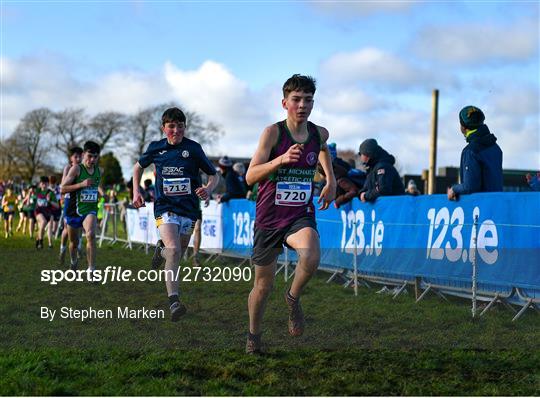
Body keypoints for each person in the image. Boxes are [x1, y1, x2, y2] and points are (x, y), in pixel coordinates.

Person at [245, 74, 336, 354]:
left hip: (299, 213)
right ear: (285, 103)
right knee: (262, 286)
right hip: (269, 217)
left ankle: (293, 298)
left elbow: (322, 149)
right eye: (296, 100)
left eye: (308, 100)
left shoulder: (320, 132)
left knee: (311, 254)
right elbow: (250, 176)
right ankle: (253, 336)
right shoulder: (273, 133)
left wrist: (330, 180)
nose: (302, 105)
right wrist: (280, 160)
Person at [132, 107, 219, 321]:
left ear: (184, 127)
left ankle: (160, 250)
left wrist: (208, 189)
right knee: (174, 250)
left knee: (175, 250)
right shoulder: (156, 148)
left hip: (189, 209)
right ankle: (174, 301)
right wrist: (136, 191)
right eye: (171, 126)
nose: (176, 130)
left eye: (180, 126)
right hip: (165, 207)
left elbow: (213, 175)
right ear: (164, 128)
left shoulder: (194, 149)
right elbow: (137, 168)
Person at [61, 141, 103, 272]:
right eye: (89, 156)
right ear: (84, 154)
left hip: (89, 210)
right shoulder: (76, 169)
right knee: (73, 244)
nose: (92, 160)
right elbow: (62, 189)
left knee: (90, 234)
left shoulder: (99, 171)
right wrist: (81, 184)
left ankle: (91, 270)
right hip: (74, 210)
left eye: (95, 157)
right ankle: (73, 262)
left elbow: (96, 186)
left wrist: (101, 193)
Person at [448, 106, 503, 200]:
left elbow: (470, 186)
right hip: (498, 204)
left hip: (481, 209)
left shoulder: (470, 151)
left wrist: (454, 189)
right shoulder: (495, 147)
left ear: (463, 127)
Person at [59, 147, 83, 265]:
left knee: (79, 229)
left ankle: (77, 247)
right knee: (66, 230)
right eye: (75, 157)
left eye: (80, 156)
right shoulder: (68, 168)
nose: (78, 159)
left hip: (80, 202)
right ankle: (62, 248)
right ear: (71, 158)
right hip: (69, 201)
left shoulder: (83, 169)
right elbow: (63, 186)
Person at [34, 176, 59, 249]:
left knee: (41, 227)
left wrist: (49, 201)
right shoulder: (37, 191)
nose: (44, 185)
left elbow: (57, 206)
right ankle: (41, 242)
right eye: (42, 183)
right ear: (40, 184)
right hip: (38, 211)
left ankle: (38, 239)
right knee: (43, 222)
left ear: (48, 184)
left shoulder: (50, 193)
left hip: (48, 212)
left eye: (45, 184)